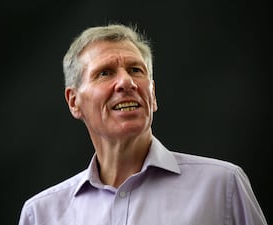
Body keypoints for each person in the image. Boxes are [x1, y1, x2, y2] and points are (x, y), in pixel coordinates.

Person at [18, 23, 267, 225]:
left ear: (153, 95)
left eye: (136, 70)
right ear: (74, 102)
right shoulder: (41, 214)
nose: (126, 82)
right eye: (105, 73)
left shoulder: (222, 186)